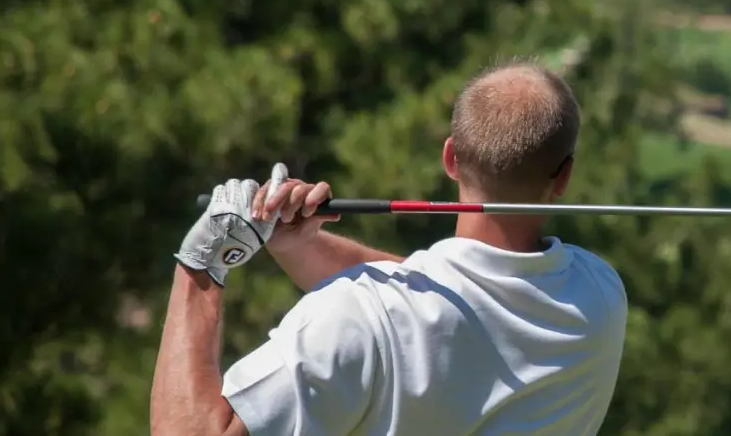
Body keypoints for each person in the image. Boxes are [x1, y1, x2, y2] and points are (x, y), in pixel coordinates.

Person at [150, 62, 629, 436]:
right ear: (563, 176)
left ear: (450, 158)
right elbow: (444, 298)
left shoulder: (356, 317)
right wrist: (300, 247)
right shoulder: (601, 295)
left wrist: (204, 264)